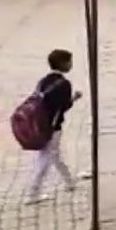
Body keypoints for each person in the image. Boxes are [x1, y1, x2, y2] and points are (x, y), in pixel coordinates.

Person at [26, 49, 82, 204]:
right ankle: (33, 192)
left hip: (40, 123)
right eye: (69, 62)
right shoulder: (64, 84)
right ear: (63, 64)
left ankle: (69, 182)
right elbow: (64, 106)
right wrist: (74, 98)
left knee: (54, 155)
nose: (71, 65)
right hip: (53, 126)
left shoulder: (43, 81)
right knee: (46, 157)